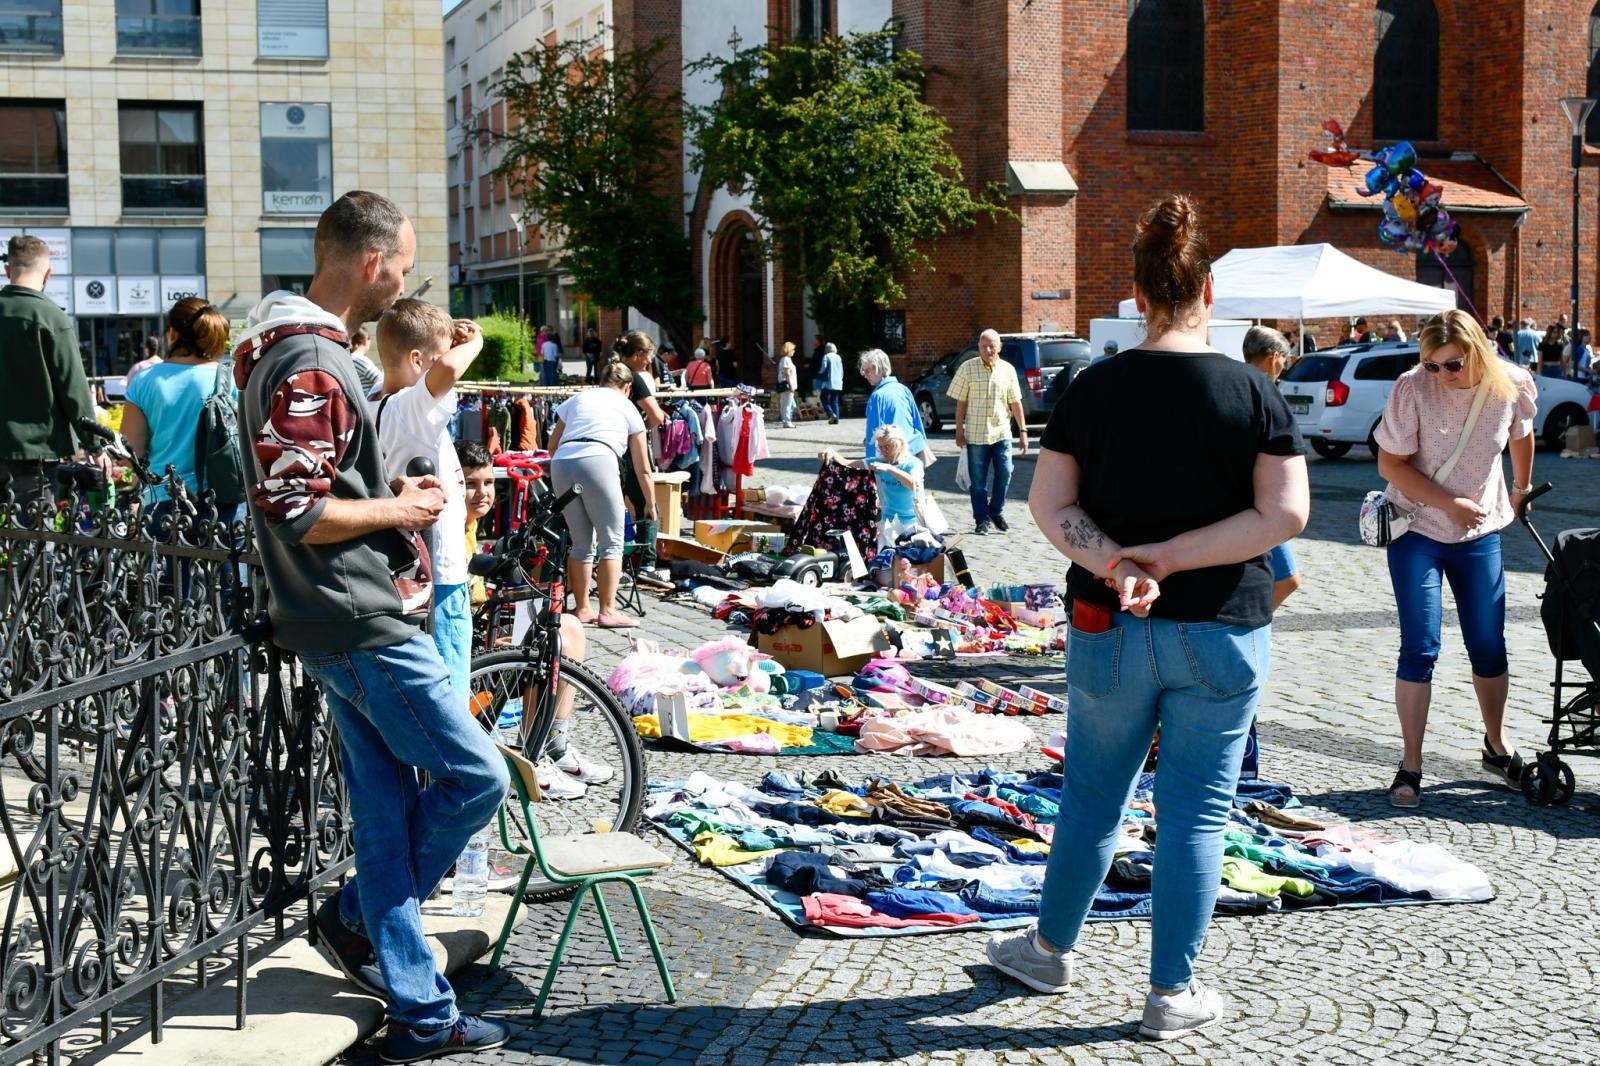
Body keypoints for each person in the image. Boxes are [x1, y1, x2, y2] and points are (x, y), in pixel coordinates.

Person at [988, 194, 1308, 1040]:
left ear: (1136, 294)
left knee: (1092, 797)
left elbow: (1049, 504)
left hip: (1110, 625)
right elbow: (1284, 515)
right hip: (1223, 628)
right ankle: (1171, 993)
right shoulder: (1253, 391)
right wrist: (1172, 557)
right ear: (1209, 290)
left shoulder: (1093, 386)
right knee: (1196, 812)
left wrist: (1122, 562)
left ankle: (1047, 951)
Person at [234, 191, 510, 1060]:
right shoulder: (311, 361)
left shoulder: (293, 351)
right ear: (371, 261)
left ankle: (420, 1012)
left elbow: (305, 490)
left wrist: (390, 496)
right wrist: (403, 508)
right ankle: (356, 916)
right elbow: (296, 510)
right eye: (404, 266)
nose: (405, 282)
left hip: (335, 616)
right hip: (358, 617)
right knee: (479, 778)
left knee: (386, 818)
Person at [1373, 309, 1538, 808]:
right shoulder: (1412, 388)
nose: (1441, 374)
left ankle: (1496, 745)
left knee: (1488, 645)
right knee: (1420, 647)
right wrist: (1449, 504)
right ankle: (1411, 765)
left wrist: (1521, 488)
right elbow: (1389, 464)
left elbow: (1521, 433)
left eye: (1452, 364)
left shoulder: (1510, 383)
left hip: (1479, 533)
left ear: (1477, 352)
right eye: (1432, 364)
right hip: (1417, 530)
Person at [455, 440, 608, 796]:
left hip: (482, 631)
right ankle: (530, 756)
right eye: (470, 484)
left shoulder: (469, 526)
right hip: (468, 646)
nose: (482, 492)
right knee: (547, 640)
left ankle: (552, 744)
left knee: (568, 627)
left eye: (488, 482)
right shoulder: (450, 532)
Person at [373, 299, 485, 706]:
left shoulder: (373, 402)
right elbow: (450, 370)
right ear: (417, 360)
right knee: (449, 695)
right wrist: (476, 341)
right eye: (437, 357)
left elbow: (442, 368)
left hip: (404, 571)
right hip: (440, 572)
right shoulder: (410, 408)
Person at [545, 359, 655, 628]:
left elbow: (551, 446)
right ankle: (608, 610)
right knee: (612, 542)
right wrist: (650, 504)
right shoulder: (628, 407)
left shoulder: (578, 399)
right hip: (599, 458)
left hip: (562, 462)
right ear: (627, 387)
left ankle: (583, 608)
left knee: (581, 542)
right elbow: (643, 467)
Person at [0, 234, 99, 516]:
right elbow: (73, 388)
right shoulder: (51, 317)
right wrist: (94, 445)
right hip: (35, 452)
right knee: (31, 537)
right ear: (48, 274)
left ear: (8, 269)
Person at [121, 297, 239, 529]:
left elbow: (130, 453)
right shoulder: (230, 379)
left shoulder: (144, 381)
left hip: (163, 502)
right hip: (223, 501)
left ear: (172, 333)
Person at [1240, 326, 1303, 610]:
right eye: (1284, 361)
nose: (1283, 367)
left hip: (1242, 500)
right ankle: (1258, 623)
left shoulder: (1235, 384)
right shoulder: (1265, 392)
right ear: (1274, 357)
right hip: (1259, 502)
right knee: (1287, 578)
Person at [948, 329, 1028, 534]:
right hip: (976, 434)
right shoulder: (967, 368)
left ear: (1000, 347)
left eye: (992, 346)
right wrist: (959, 431)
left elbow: (1015, 402)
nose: (988, 350)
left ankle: (996, 511)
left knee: (1005, 472)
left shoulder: (1008, 370)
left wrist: (1023, 431)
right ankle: (981, 519)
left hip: (1002, 432)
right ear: (979, 347)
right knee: (978, 482)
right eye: (984, 346)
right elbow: (960, 403)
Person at [615, 332, 672, 591]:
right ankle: (647, 565)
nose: (650, 362)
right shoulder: (633, 378)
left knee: (615, 507)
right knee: (649, 506)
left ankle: (616, 563)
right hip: (630, 449)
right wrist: (640, 428)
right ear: (639, 355)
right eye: (648, 356)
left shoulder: (609, 372)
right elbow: (657, 416)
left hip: (609, 449)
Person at [859, 348, 929, 463]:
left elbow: (873, 434)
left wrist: (870, 463)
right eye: (864, 371)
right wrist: (923, 446)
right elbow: (917, 422)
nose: (865, 375)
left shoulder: (877, 396)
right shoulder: (904, 389)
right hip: (911, 451)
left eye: (868, 371)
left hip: (891, 456)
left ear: (880, 369)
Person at [347, 326, 383, 398]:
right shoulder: (358, 359)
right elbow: (381, 380)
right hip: (368, 400)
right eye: (369, 339)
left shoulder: (350, 358)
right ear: (364, 340)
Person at [818, 342, 843, 424]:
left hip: (828, 381)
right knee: (834, 400)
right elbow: (841, 371)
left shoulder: (826, 356)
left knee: (823, 397)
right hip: (838, 382)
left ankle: (831, 414)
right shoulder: (838, 357)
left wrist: (819, 374)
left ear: (827, 349)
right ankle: (836, 420)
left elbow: (823, 368)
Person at [776, 341, 798, 428]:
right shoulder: (786, 360)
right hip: (787, 385)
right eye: (792, 350)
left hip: (785, 385)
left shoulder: (785, 359)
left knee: (784, 403)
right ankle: (787, 421)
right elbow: (787, 373)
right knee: (787, 404)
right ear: (788, 350)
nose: (794, 351)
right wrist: (791, 385)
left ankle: (785, 421)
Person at [805, 333, 826, 400]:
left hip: (818, 375)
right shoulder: (818, 350)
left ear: (818, 341)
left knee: (818, 396)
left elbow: (817, 362)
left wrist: (809, 365)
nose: (812, 341)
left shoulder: (820, 351)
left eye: (814, 340)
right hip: (817, 375)